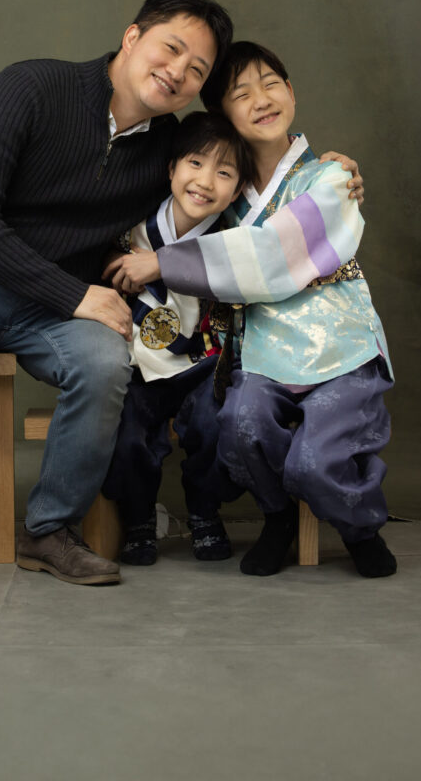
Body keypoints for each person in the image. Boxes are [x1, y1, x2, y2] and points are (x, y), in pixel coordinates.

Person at [0, 0, 363, 622]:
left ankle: (50, 529)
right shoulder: (30, 89)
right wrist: (74, 293)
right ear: (132, 37)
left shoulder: (167, 147)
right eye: (170, 48)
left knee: (105, 365)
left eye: (197, 71)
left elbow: (225, 190)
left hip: (59, 310)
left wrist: (323, 171)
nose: (177, 72)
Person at [108, 40, 396, 579]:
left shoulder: (330, 180)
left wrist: (162, 264)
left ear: (291, 91)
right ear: (224, 115)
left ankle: (360, 527)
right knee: (239, 422)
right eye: (241, 94)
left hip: (340, 345)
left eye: (271, 84)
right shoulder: (225, 198)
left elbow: (271, 254)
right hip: (264, 351)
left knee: (314, 459)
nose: (261, 99)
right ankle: (277, 518)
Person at [101, 111, 250, 565]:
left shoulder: (234, 239)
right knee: (124, 433)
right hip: (141, 363)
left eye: (224, 173)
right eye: (196, 164)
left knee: (211, 422)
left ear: (238, 189)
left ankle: (204, 511)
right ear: (171, 169)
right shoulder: (133, 228)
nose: (205, 182)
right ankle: (140, 516)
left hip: (205, 362)